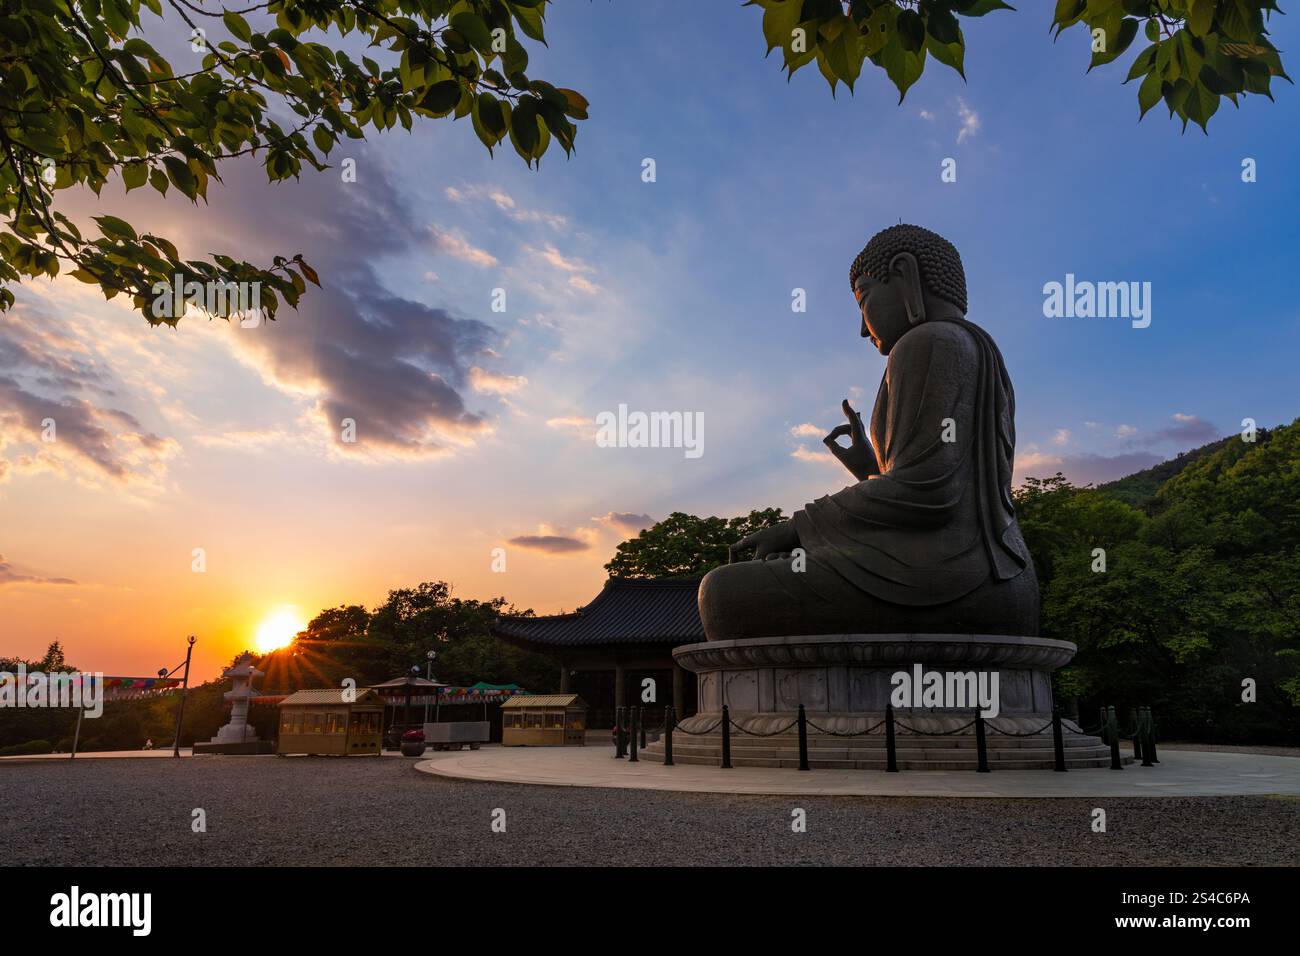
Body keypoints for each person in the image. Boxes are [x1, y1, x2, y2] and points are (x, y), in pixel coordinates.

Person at [698, 224, 1038, 641]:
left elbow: (930, 492)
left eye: (864, 300)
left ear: (904, 274)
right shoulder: (981, 348)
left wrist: (799, 526)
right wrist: (871, 468)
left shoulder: (927, 341)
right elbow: (937, 483)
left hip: (951, 581)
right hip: (1004, 581)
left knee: (721, 593)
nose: (863, 328)